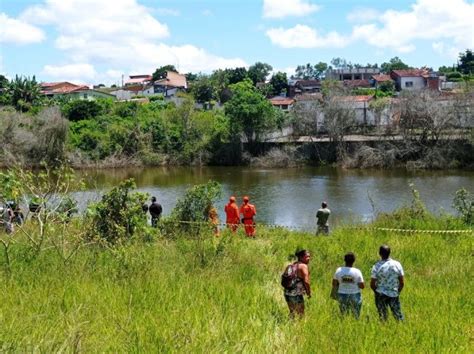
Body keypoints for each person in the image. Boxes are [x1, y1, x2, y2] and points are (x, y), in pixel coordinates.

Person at [370, 245, 405, 321]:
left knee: (383, 317)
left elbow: (372, 284)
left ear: (379, 253)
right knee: (398, 316)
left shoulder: (376, 266)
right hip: (394, 293)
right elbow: (402, 282)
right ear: (390, 252)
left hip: (380, 294)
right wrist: (397, 291)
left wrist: (377, 292)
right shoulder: (397, 264)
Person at [332, 252, 365, 319]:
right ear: (354, 260)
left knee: (343, 315)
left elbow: (334, 283)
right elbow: (362, 286)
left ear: (344, 260)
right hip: (355, 295)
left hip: (342, 295)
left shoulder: (338, 270)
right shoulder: (357, 271)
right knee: (356, 316)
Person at [284, 249, 312, 318]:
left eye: (309, 256)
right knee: (301, 314)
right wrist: (308, 292)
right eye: (307, 256)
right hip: (297, 294)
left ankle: (290, 326)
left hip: (287, 292)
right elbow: (306, 281)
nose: (309, 258)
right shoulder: (303, 266)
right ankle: (300, 327)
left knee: (292, 312)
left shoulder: (291, 265)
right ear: (301, 257)